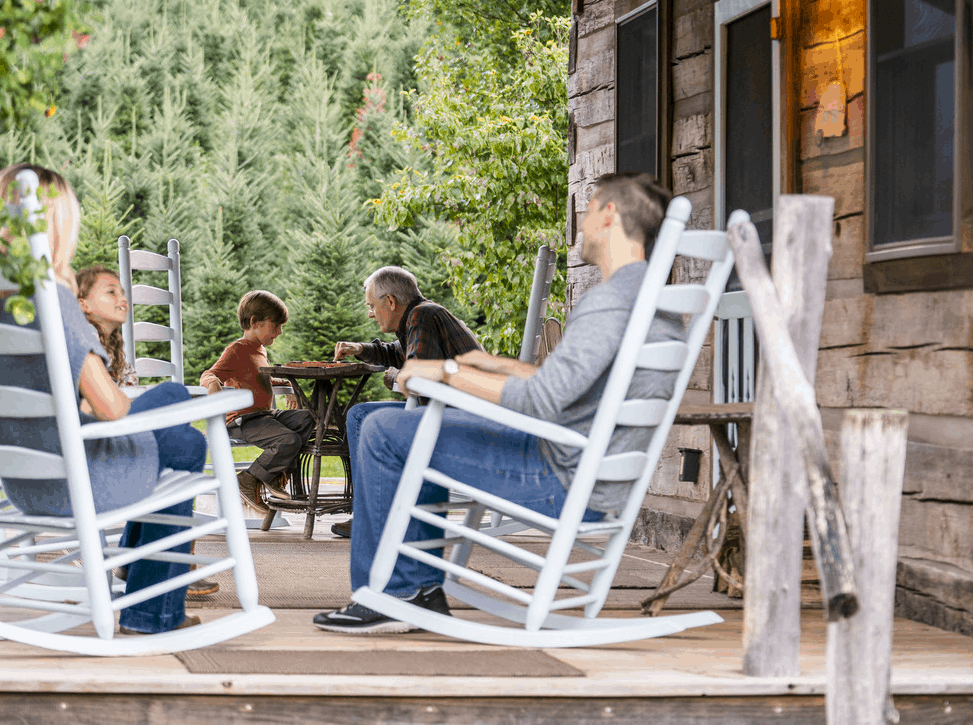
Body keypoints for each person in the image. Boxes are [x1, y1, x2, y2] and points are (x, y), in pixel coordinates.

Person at [313, 172, 682, 634]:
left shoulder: (610, 302)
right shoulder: (650, 300)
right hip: (587, 468)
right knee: (395, 425)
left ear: (609, 214)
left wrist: (448, 371)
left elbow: (540, 401)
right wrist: (499, 366)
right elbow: (570, 384)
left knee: (385, 430)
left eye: (587, 211)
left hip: (559, 477)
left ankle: (394, 593)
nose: (581, 225)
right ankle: (418, 589)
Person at [0, 164, 204, 635]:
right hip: (80, 483)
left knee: (179, 438)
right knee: (182, 423)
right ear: (56, 224)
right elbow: (112, 407)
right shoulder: (51, 296)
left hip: (24, 487)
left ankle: (139, 579)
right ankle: (150, 608)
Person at [75, 264, 219, 597]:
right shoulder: (81, 341)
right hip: (95, 448)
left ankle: (132, 554)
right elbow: (97, 410)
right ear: (83, 303)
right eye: (111, 291)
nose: (122, 298)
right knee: (176, 402)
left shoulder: (110, 346)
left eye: (123, 292)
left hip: (104, 440)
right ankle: (164, 561)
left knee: (183, 432)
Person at [329, 266, 482, 537]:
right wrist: (360, 349)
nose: (369, 313)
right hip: (453, 411)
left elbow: (416, 379)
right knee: (362, 415)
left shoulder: (421, 316)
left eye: (371, 306)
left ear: (390, 302)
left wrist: (391, 376)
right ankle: (375, 509)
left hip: (456, 420)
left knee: (360, 416)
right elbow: (398, 352)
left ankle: (370, 514)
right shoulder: (423, 315)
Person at [200, 290, 315, 514]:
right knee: (289, 440)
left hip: (263, 416)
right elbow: (209, 373)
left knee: (309, 418)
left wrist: (289, 385)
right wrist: (213, 383)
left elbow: (261, 379)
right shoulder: (236, 350)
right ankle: (249, 478)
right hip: (242, 420)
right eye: (276, 325)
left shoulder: (260, 350)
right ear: (254, 322)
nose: (280, 331)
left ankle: (271, 474)